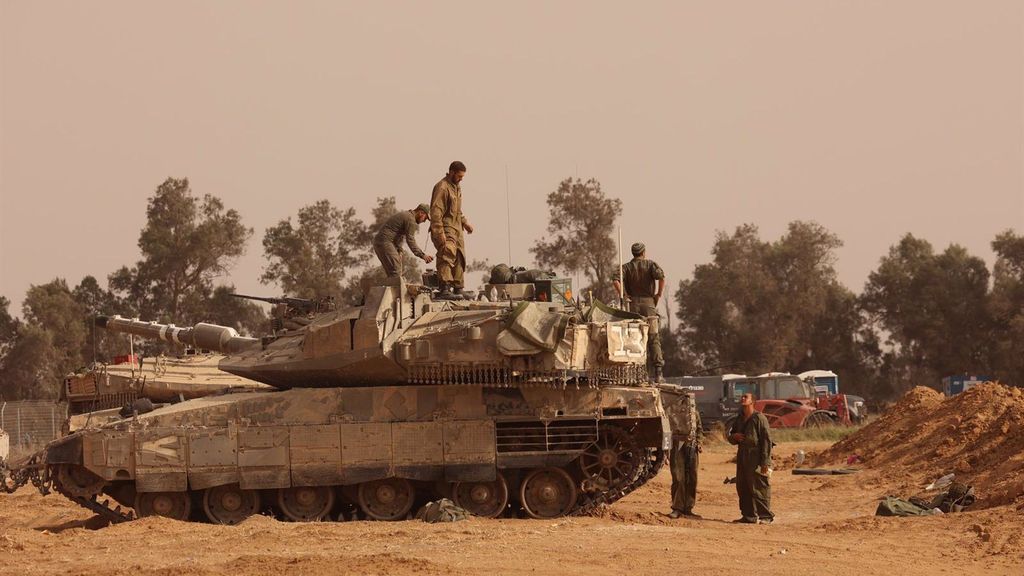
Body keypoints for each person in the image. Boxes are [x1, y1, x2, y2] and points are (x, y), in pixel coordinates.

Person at [611, 242, 665, 382]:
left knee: (635, 338)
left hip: (632, 306)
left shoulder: (627, 267)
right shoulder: (651, 265)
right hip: (649, 304)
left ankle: (639, 374)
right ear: (643, 252)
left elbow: (615, 280)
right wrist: (658, 294)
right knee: (653, 337)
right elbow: (661, 277)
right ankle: (658, 373)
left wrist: (623, 294)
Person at [727, 393, 775, 524]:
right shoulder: (740, 418)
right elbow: (731, 436)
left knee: (759, 486)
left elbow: (766, 440)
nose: (742, 398)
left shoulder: (759, 418)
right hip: (742, 455)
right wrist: (734, 437)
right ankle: (749, 516)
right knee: (743, 486)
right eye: (742, 397)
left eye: (745, 397)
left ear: (752, 401)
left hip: (756, 456)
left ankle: (765, 516)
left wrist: (765, 461)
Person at [429, 161, 474, 299]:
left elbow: (457, 211)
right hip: (445, 227)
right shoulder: (442, 187)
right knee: (447, 253)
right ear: (452, 172)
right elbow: (436, 212)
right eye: (459, 176)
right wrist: (439, 232)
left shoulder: (456, 187)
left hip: (457, 228)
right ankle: (445, 288)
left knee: (460, 256)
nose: (461, 179)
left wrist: (465, 223)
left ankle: (458, 288)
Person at [666, 390, 702, 519]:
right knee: (678, 478)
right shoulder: (672, 413)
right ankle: (677, 507)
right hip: (678, 445)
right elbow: (667, 432)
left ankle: (688, 507)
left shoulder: (694, 414)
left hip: (692, 446)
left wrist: (699, 442)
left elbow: (699, 430)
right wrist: (666, 451)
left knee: (692, 478)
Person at [372, 204, 434, 278]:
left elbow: (399, 235)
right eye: (425, 218)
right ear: (421, 213)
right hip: (385, 242)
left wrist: (399, 250)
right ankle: (395, 289)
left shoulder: (407, 216)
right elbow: (411, 240)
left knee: (392, 273)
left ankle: (389, 288)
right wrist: (423, 255)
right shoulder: (410, 220)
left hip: (380, 242)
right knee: (396, 271)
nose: (424, 221)